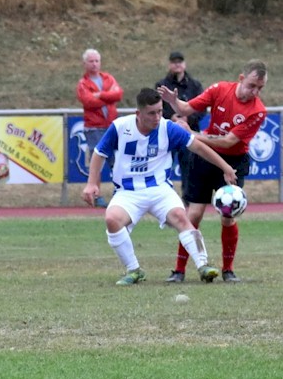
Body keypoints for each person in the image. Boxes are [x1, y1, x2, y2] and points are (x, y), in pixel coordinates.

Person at [81, 88, 237, 286]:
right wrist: (91, 184)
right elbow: (99, 153)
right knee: (112, 220)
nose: (157, 117)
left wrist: (225, 167)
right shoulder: (120, 127)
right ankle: (134, 270)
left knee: (181, 217)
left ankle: (203, 266)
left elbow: (198, 147)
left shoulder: (168, 128)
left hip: (159, 189)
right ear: (138, 114)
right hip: (128, 191)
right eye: (151, 113)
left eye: (160, 112)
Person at [158, 59, 269, 283]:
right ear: (241, 78)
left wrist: (191, 135)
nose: (255, 92)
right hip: (204, 157)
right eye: (251, 85)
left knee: (228, 215)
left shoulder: (258, 111)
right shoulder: (220, 89)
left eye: (260, 88)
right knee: (194, 215)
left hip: (233, 163)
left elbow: (228, 142)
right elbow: (187, 108)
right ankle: (179, 270)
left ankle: (228, 270)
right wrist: (174, 101)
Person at [155, 51, 205, 204]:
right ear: (169, 64)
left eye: (180, 61)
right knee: (162, 165)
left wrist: (188, 117)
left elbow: (202, 108)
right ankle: (161, 198)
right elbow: (157, 106)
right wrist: (172, 117)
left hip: (188, 132)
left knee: (189, 167)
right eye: (174, 61)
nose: (177, 64)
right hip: (168, 132)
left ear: (184, 64)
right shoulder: (161, 85)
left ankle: (187, 199)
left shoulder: (195, 85)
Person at [76, 48, 124, 208]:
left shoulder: (108, 78)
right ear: (85, 63)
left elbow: (118, 94)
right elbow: (89, 102)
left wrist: (101, 95)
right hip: (94, 128)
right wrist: (108, 96)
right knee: (97, 162)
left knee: (116, 160)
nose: (95, 64)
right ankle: (96, 195)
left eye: (97, 61)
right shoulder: (83, 84)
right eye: (91, 61)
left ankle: (121, 193)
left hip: (111, 125)